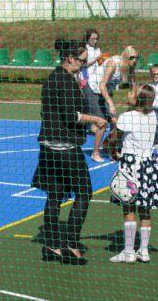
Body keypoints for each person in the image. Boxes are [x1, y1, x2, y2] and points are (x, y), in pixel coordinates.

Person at [31, 39, 107, 265]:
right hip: (65, 148)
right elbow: (70, 115)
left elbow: (53, 113)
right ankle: (71, 245)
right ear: (70, 59)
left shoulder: (52, 78)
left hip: (48, 148)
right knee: (84, 192)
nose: (84, 65)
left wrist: (86, 126)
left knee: (54, 194)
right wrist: (95, 119)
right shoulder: (64, 81)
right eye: (82, 61)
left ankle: (51, 246)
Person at [108, 84, 158, 263]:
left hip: (131, 164)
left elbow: (114, 138)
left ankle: (128, 252)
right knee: (145, 208)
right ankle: (144, 250)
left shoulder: (127, 117)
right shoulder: (152, 115)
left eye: (132, 92)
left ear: (137, 98)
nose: (129, 93)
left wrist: (112, 148)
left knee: (129, 206)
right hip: (148, 165)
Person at [92, 45, 139, 162]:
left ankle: (110, 147)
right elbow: (101, 85)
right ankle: (95, 153)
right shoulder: (113, 63)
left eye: (136, 58)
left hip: (106, 92)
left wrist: (134, 98)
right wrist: (111, 103)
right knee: (102, 123)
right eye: (132, 57)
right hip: (93, 90)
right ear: (126, 56)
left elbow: (133, 83)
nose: (134, 60)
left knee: (116, 123)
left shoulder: (130, 66)